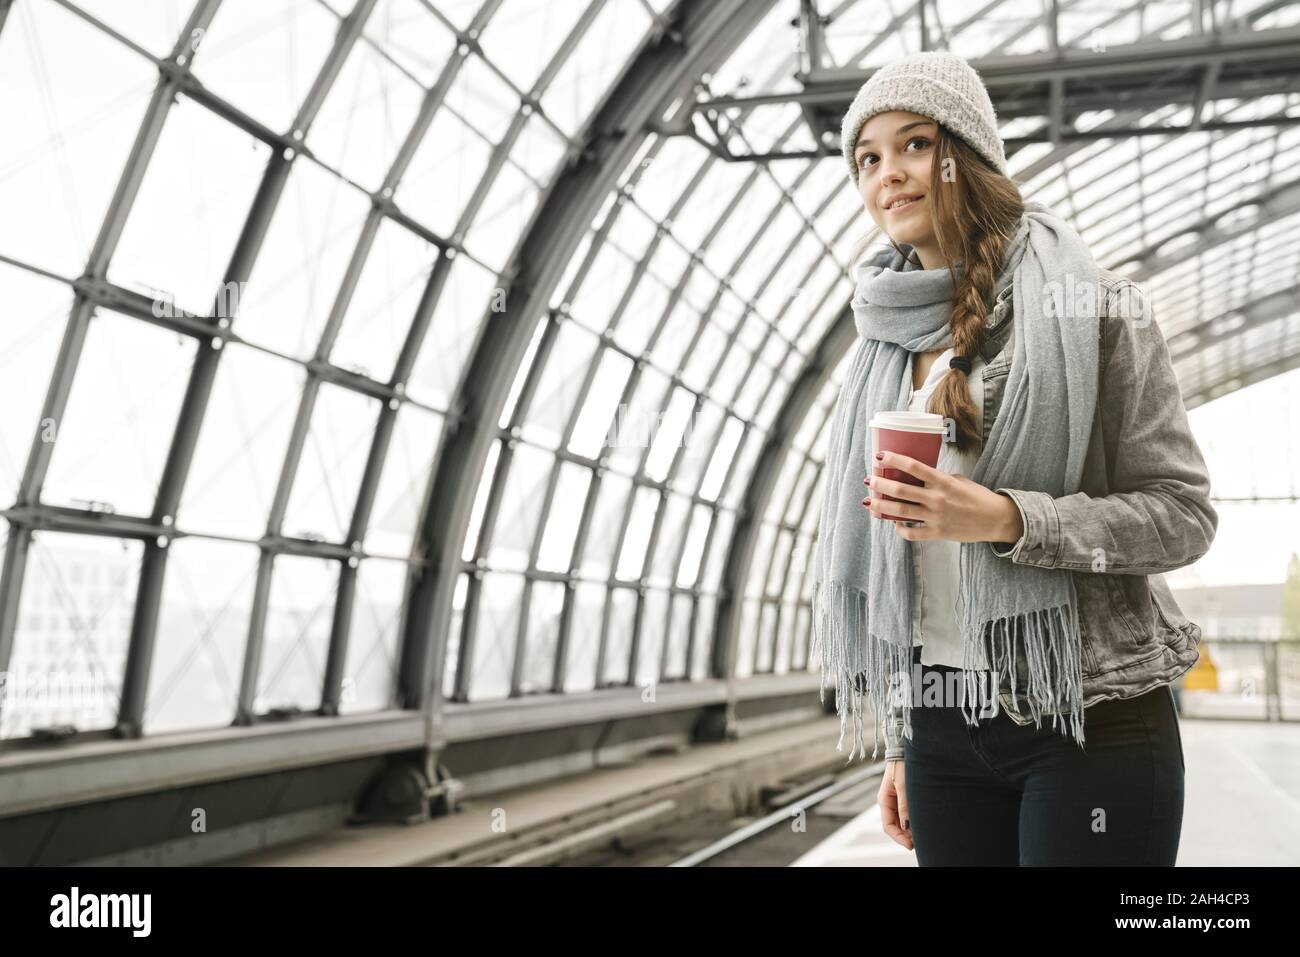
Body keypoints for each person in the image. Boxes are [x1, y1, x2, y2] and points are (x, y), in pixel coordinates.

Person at [809, 51, 1217, 866]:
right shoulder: (883, 346)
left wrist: (1007, 519)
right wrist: (901, 735)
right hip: (942, 732)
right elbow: (909, 579)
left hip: (1089, 716)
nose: (888, 173)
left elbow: (1183, 515)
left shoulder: (1096, 310)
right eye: (868, 158)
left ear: (966, 154)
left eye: (914, 145)